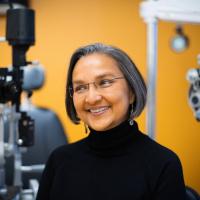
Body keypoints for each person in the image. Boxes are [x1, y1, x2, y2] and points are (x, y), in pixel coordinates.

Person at [36, 43, 186, 200]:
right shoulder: (59, 161)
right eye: (80, 88)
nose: (92, 98)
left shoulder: (163, 164)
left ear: (132, 91)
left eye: (105, 82)